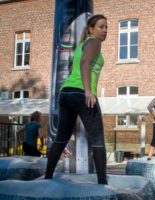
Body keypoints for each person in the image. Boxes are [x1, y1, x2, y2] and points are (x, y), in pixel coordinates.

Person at [45, 14, 108, 184]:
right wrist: (88, 90)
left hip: (66, 94)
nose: (105, 30)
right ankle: (103, 184)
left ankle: (48, 177)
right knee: (97, 139)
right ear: (90, 29)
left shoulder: (81, 45)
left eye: (106, 27)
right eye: (101, 26)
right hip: (81, 93)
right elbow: (85, 64)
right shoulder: (94, 42)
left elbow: (77, 66)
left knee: (61, 137)